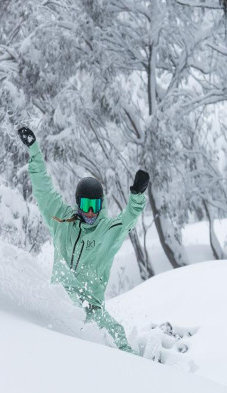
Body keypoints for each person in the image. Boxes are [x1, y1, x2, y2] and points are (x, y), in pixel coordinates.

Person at [18, 127, 150, 353]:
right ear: (78, 204)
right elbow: (43, 190)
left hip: (92, 309)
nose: (90, 213)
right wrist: (34, 151)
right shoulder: (62, 221)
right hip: (59, 303)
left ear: (101, 206)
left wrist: (137, 197)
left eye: (95, 206)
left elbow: (127, 218)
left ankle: (139, 372)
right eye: (86, 206)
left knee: (116, 333)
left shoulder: (107, 230)